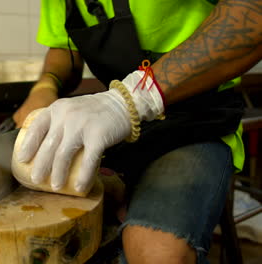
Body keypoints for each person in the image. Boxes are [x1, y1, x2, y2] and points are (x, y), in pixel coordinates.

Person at [13, 0, 262, 263]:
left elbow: (254, 12)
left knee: (156, 251)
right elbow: (64, 49)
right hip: (116, 129)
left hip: (194, 123)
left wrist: (131, 101)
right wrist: (47, 84)